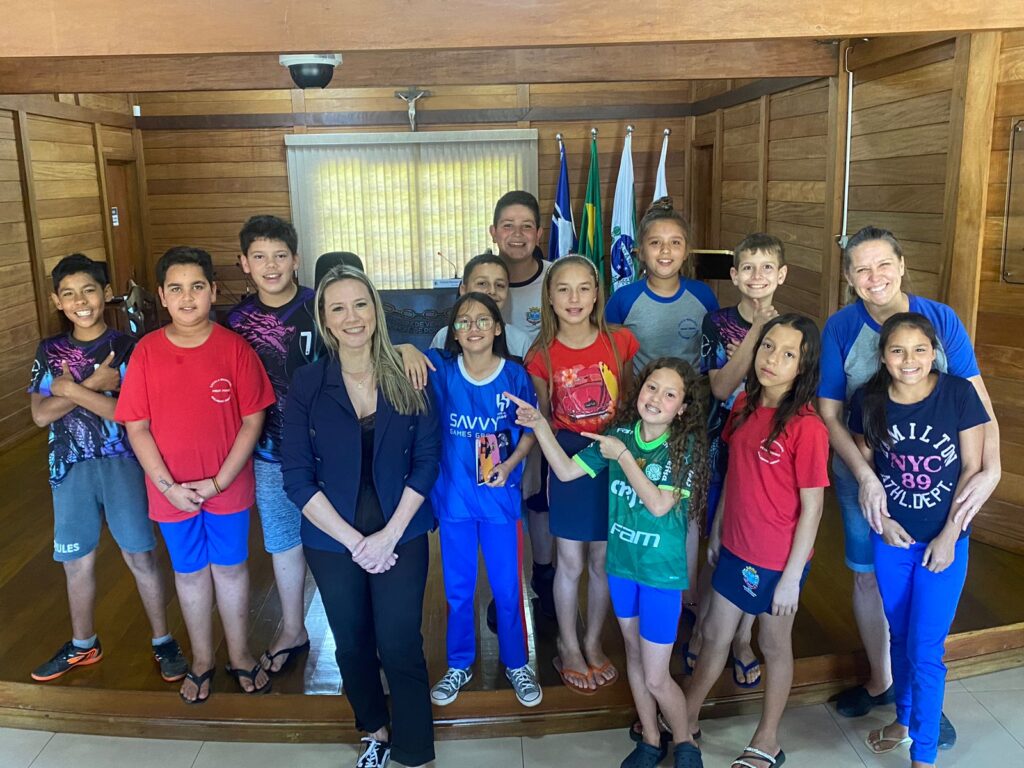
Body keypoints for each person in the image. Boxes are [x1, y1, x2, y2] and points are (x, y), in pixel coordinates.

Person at [818, 226, 1000, 744]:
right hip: (867, 474)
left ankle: (921, 697)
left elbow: (978, 404)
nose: (874, 277)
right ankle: (883, 681)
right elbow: (830, 413)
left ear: (902, 265)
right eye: (861, 269)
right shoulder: (840, 328)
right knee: (869, 576)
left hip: (937, 480)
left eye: (883, 265)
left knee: (929, 586)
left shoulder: (940, 320)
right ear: (851, 278)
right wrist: (866, 478)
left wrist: (995, 467)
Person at [508, 357, 708, 768]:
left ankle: (685, 742)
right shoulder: (618, 436)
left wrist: (623, 456)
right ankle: (651, 740)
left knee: (656, 674)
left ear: (682, 408)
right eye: (652, 387)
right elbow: (563, 472)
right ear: (640, 391)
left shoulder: (682, 446)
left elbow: (656, 504)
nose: (657, 398)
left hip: (660, 576)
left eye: (671, 394)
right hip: (622, 571)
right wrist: (540, 425)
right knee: (634, 658)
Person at [281, 265, 440, 768]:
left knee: (399, 640)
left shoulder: (409, 370)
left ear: (377, 309)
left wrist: (389, 536)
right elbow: (297, 477)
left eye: (361, 304)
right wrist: (356, 543)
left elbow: (427, 459)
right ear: (325, 322)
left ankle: (414, 748)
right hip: (334, 537)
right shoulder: (308, 383)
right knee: (350, 643)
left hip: (403, 529)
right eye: (338, 308)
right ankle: (374, 729)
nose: (352, 317)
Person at [116, 246, 275, 704]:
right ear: (162, 297)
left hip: (226, 488)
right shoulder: (146, 352)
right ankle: (203, 659)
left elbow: (251, 420)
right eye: (177, 289)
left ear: (213, 291)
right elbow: (136, 426)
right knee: (188, 575)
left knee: (230, 569)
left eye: (198, 287)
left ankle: (241, 655)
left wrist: (219, 481)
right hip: (170, 493)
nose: (188, 298)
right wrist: (168, 485)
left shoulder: (235, 348)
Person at [27, 254, 186, 684]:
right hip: (69, 467)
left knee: (140, 553)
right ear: (56, 301)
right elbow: (41, 416)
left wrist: (72, 389)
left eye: (89, 290)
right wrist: (92, 386)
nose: (81, 301)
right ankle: (83, 644)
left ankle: (162, 639)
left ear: (105, 294)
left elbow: (128, 412)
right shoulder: (49, 350)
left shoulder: (128, 346)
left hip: (122, 463)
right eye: (69, 294)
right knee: (76, 560)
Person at [686, 314, 830, 768]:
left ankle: (767, 739)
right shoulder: (746, 403)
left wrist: (790, 579)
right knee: (713, 635)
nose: (772, 359)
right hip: (737, 547)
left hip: (776, 562)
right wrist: (722, 528)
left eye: (789, 354)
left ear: (804, 368)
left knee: (773, 644)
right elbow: (735, 472)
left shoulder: (808, 428)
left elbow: (813, 509)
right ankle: (684, 718)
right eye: (768, 347)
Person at [848, 313, 989, 768]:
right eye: (897, 351)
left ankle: (923, 757)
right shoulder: (868, 400)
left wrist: (951, 534)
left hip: (943, 544)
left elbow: (972, 469)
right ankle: (905, 722)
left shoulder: (958, 393)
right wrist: (883, 523)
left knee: (926, 651)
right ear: (883, 356)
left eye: (920, 350)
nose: (909, 361)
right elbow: (867, 472)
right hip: (892, 541)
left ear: (934, 352)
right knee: (900, 635)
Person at [524, 254, 639, 693]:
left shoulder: (620, 341)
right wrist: (544, 472)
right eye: (563, 290)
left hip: (612, 455)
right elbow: (541, 422)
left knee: (602, 561)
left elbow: (628, 401)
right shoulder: (540, 355)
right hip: (567, 458)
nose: (574, 298)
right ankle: (568, 645)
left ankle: (593, 641)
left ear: (597, 293)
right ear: (549, 298)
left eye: (584, 288)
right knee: (569, 561)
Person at [424, 292, 541, 709]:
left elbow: (530, 430)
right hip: (454, 500)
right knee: (458, 590)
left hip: (499, 503)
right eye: (463, 321)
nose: (472, 328)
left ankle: (516, 662)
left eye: (481, 320)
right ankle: (459, 663)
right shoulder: (440, 373)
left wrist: (510, 465)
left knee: (509, 589)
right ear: (452, 332)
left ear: (497, 328)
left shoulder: (514, 375)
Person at [689, 233, 789, 689]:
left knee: (756, 543)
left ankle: (743, 637)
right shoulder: (717, 323)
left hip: (769, 454)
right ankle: (708, 626)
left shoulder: (793, 329)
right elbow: (722, 388)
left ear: (781, 275)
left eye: (767, 268)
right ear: (733, 275)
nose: (757, 277)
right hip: (721, 443)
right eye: (747, 267)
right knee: (717, 537)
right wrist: (754, 335)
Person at [224, 215, 314, 675]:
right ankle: (293, 627)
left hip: (326, 449)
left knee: (338, 540)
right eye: (259, 257)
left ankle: (359, 634)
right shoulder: (235, 323)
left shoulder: (322, 306)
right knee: (283, 541)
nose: (271, 265)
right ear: (244, 264)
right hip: (267, 452)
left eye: (280, 255)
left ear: (296, 259)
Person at [490, 190, 557, 619]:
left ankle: (545, 584)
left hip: (548, 411)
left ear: (539, 233)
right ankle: (503, 589)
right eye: (507, 226)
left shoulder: (555, 278)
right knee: (501, 505)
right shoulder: (483, 275)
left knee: (539, 502)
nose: (517, 234)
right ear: (493, 232)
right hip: (493, 422)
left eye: (526, 226)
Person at [605, 197, 718, 373]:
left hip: (695, 396)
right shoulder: (622, 299)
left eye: (675, 242)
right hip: (641, 397)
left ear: (686, 251)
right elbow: (611, 360)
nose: (665, 250)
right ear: (641, 252)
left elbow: (714, 355)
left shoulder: (704, 296)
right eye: (655, 242)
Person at [428, 253, 531, 359]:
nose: (492, 291)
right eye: (482, 283)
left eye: (500, 285)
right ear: (464, 290)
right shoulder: (443, 336)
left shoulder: (520, 342)